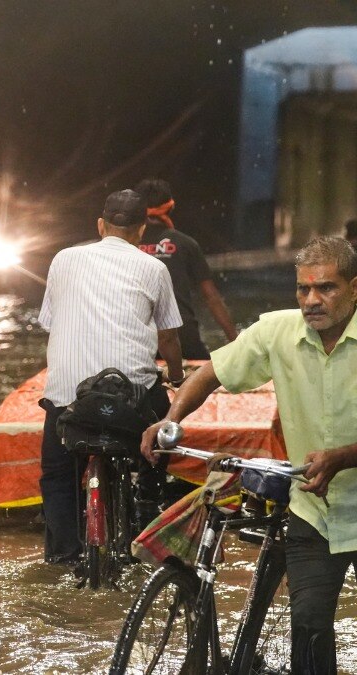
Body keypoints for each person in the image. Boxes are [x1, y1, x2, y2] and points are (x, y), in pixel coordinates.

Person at [140, 236, 357, 673]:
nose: (312, 300)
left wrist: (341, 457)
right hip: (317, 509)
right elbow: (211, 373)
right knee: (309, 628)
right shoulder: (277, 331)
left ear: (355, 288)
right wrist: (171, 419)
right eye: (303, 289)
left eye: (326, 288)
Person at [38, 189, 184, 565]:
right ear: (141, 231)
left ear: (100, 225)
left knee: (56, 475)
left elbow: (50, 323)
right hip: (130, 399)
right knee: (166, 428)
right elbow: (168, 336)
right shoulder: (154, 267)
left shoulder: (64, 259)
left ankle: (64, 557)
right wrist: (178, 375)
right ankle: (148, 500)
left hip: (69, 398)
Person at [135, 178, 239, 359]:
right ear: (171, 207)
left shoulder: (127, 246)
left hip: (137, 339)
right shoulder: (186, 243)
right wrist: (237, 343)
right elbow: (211, 297)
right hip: (183, 337)